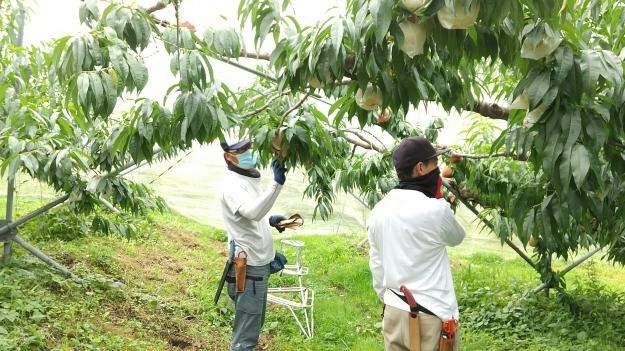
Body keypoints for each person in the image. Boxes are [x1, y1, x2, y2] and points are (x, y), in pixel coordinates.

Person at [367, 136, 466, 351]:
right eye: (434, 163)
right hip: (430, 317)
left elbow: (376, 263)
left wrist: (388, 298)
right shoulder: (435, 210)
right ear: (421, 168)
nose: (438, 169)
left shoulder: (380, 209)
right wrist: (438, 199)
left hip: (394, 309)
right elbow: (457, 237)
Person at [219, 138, 288, 351]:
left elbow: (250, 218)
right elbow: (252, 211)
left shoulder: (247, 179)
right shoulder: (230, 185)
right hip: (250, 268)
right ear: (229, 156)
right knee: (246, 335)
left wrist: (269, 221)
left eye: (249, 147)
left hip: (257, 265)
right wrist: (276, 184)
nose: (249, 151)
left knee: (255, 321)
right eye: (241, 150)